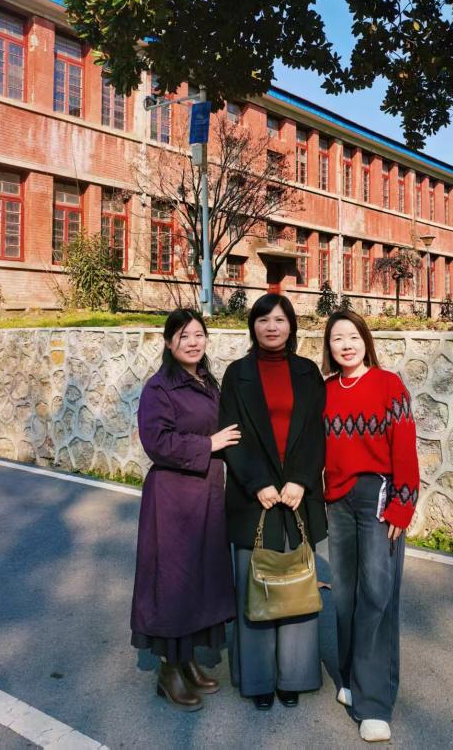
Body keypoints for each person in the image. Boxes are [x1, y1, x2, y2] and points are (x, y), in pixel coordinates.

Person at [219, 293, 327, 711]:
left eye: (280, 320)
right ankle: (258, 678)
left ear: (291, 326)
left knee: (296, 584)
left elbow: (317, 431)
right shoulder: (237, 374)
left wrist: (302, 479)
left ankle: (294, 676)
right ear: (253, 326)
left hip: (298, 496)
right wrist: (257, 483)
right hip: (254, 498)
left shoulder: (307, 372)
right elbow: (231, 434)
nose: (271, 327)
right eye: (263, 320)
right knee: (257, 586)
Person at [131, 308, 240, 710]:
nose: (193, 342)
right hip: (173, 499)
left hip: (207, 494)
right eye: (183, 336)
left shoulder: (207, 381)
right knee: (174, 582)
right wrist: (208, 444)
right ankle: (168, 670)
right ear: (168, 342)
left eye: (198, 334)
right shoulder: (159, 388)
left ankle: (187, 658)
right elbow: (157, 442)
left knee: (200, 578)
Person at [322, 310, 419, 743]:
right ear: (329, 347)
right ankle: (350, 677)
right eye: (337, 338)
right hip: (338, 500)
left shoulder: (388, 385)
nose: (346, 345)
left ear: (365, 340)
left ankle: (375, 703)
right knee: (344, 594)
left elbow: (405, 448)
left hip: (378, 497)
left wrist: (403, 505)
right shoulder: (326, 391)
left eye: (352, 336)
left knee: (377, 595)